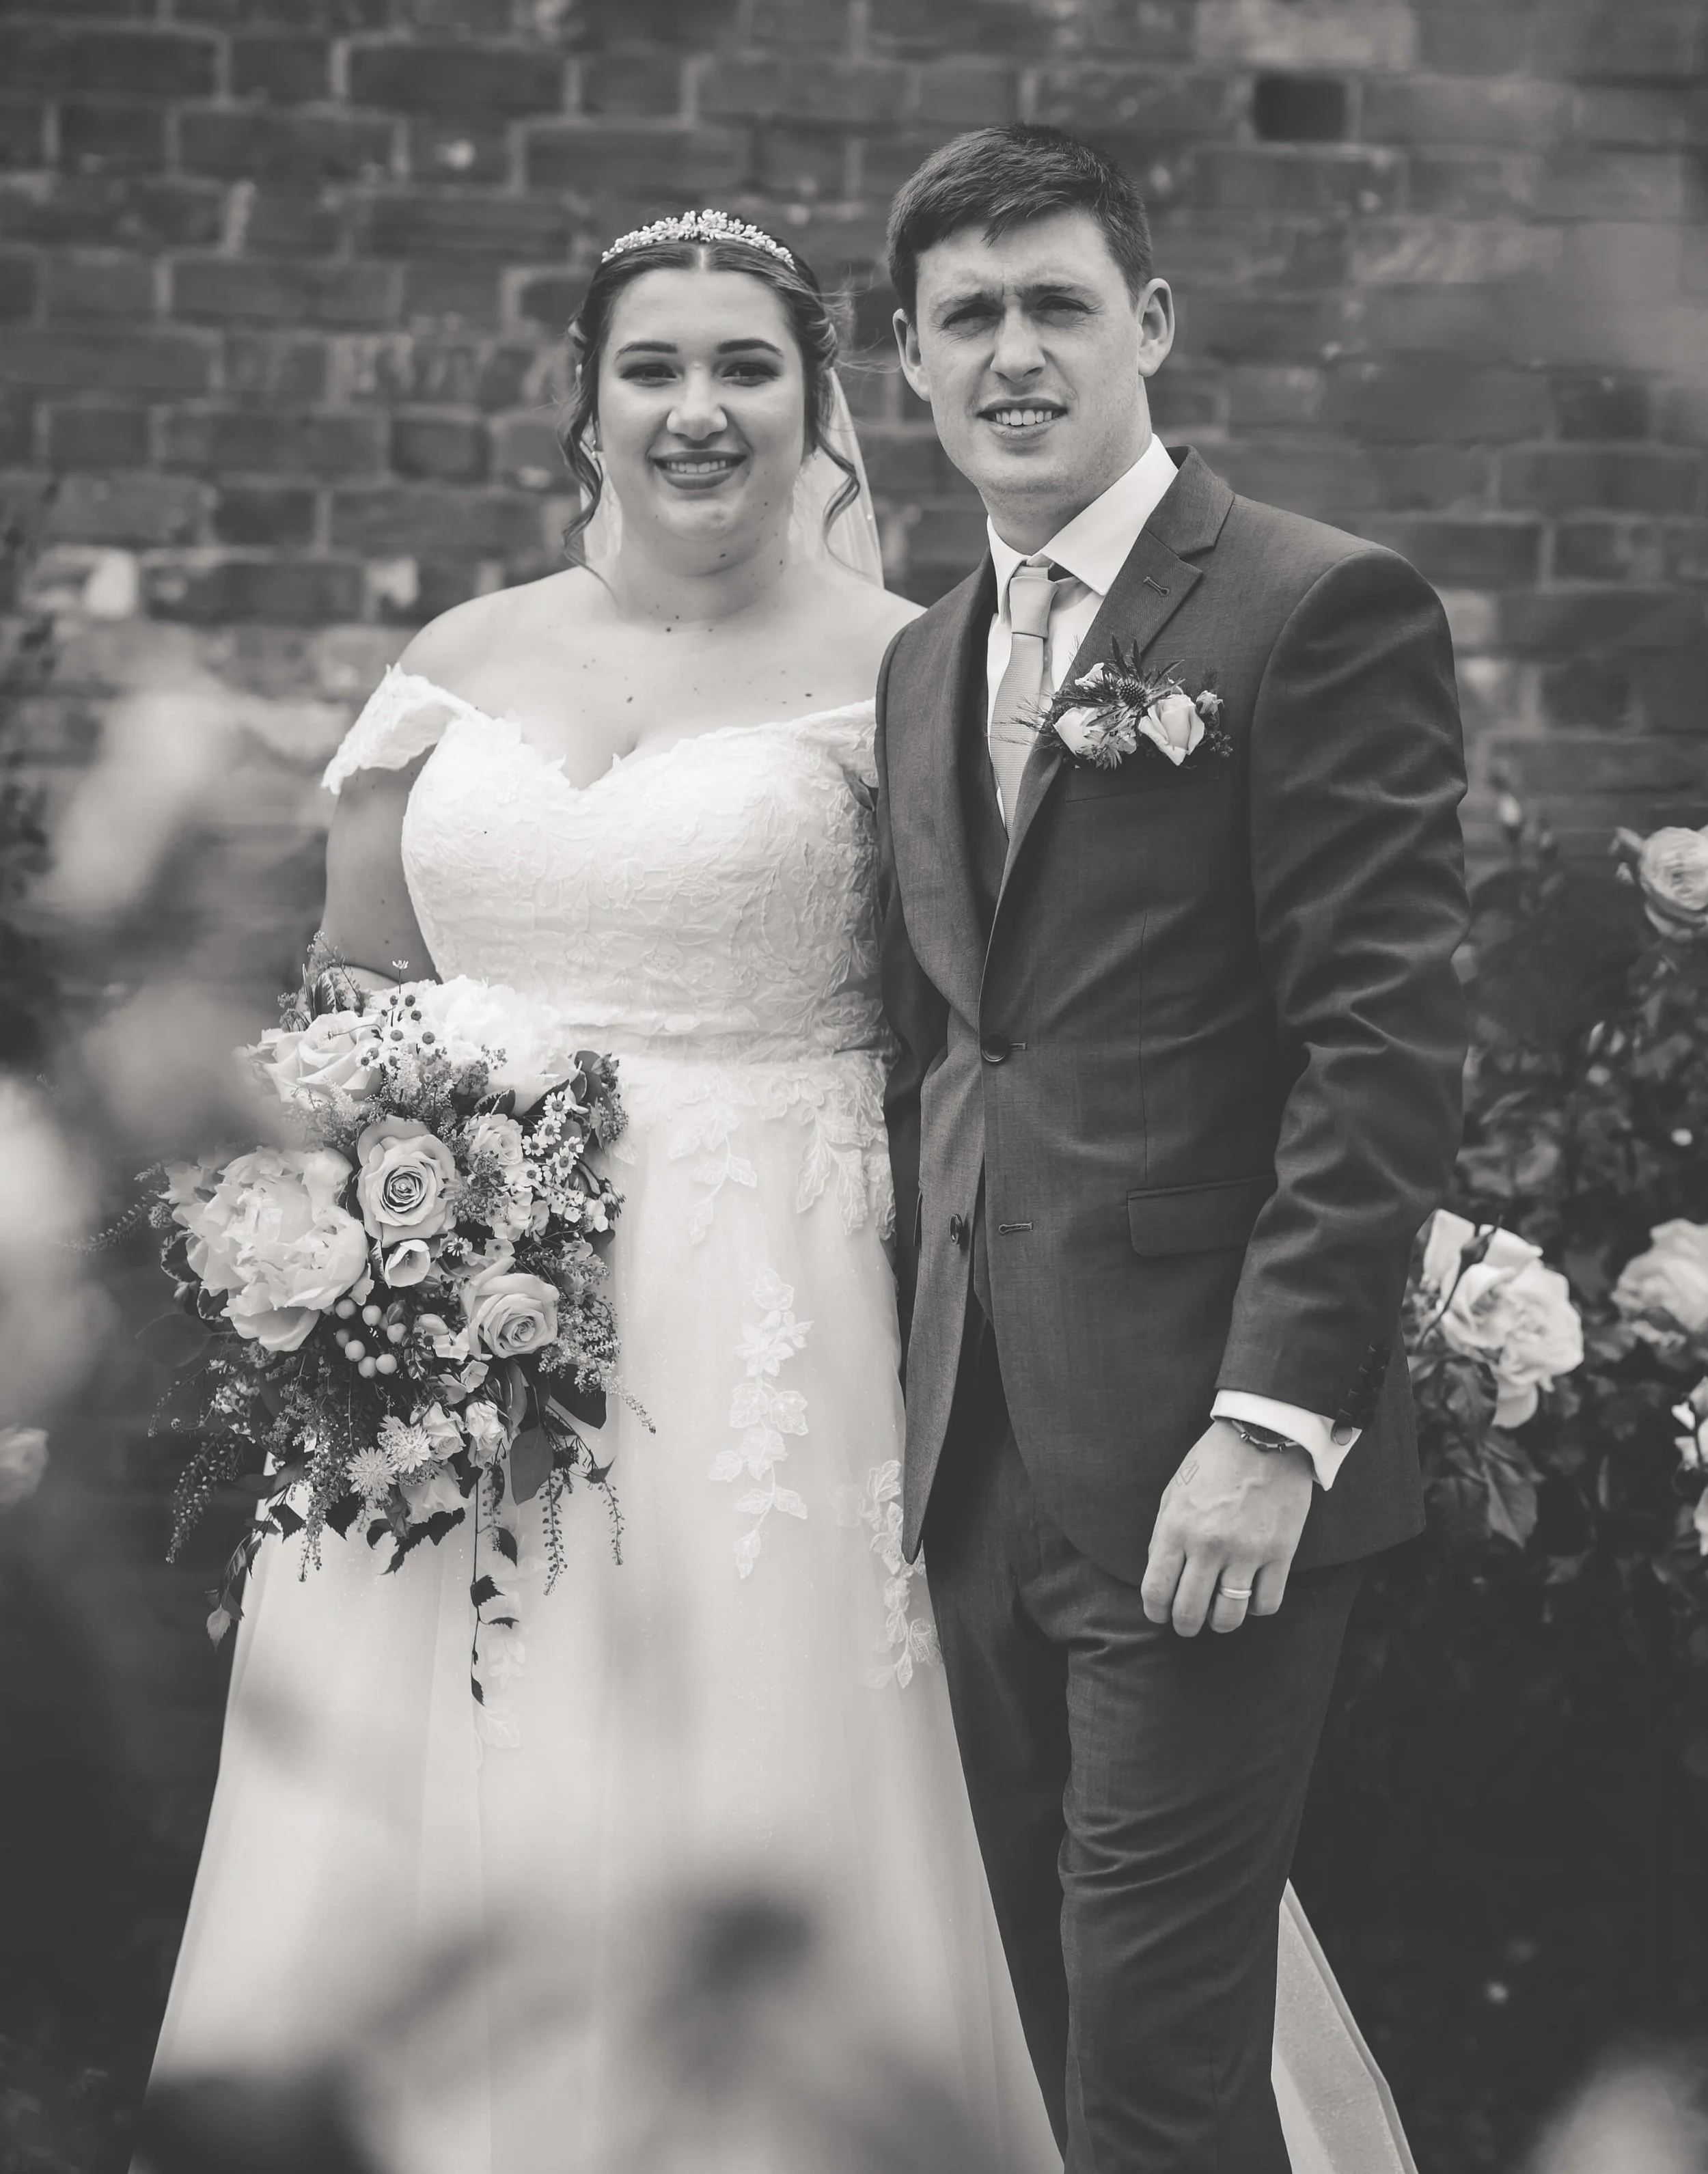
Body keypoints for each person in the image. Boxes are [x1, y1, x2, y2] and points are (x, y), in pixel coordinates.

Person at [146, 204, 1423, 2174]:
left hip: (783, 1333)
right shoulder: (450, 664)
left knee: (788, 1802)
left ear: (825, 400)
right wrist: (352, 1244)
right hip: (449, 1356)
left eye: (746, 365)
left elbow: (998, 1024)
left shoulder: (907, 671)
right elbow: (349, 1008)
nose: (697, 407)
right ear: (581, 404)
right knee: (429, 1811)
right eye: (650, 366)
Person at [875, 125, 1467, 2173]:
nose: (1011, 354)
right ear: (911, 363)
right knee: (1039, 2030)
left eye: (1054, 305)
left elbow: (1379, 1045)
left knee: (1156, 2043)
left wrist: (1273, 1420)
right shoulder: (919, 659)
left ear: (1147, 326)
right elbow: (958, 1044)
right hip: (969, 1459)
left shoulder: (1315, 605)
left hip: (1201, 1469)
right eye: (967, 318)